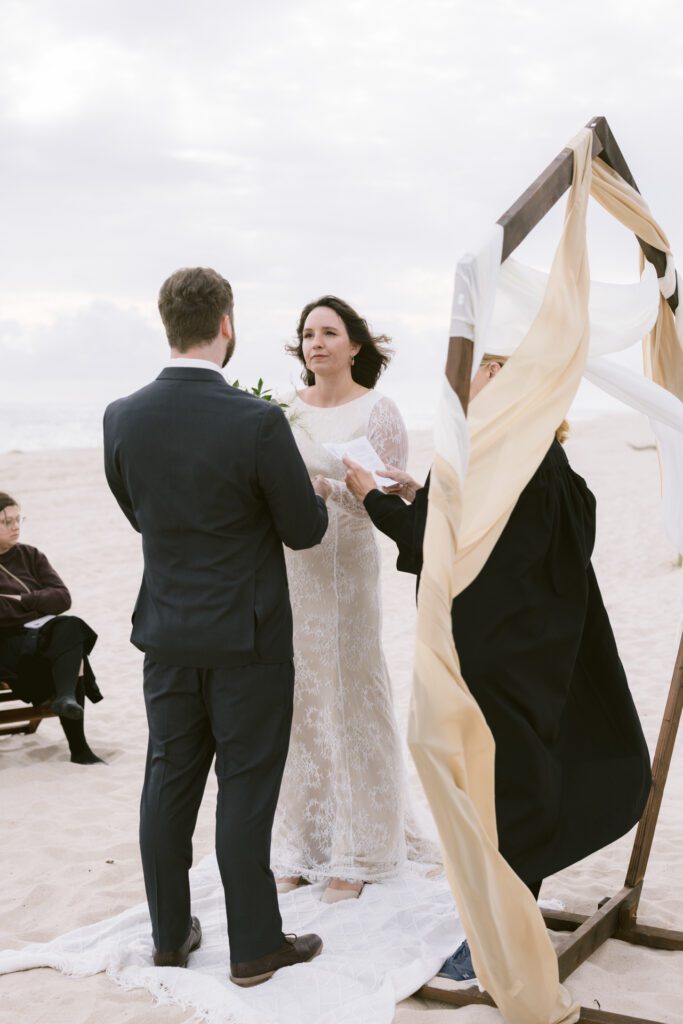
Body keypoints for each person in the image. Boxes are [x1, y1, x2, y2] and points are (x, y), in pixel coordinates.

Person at [344, 354, 651, 982]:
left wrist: (372, 496)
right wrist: (418, 491)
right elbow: (502, 526)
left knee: (501, 787)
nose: (472, 376)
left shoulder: (482, 450)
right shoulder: (537, 448)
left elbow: (434, 541)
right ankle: (501, 918)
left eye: (488, 367)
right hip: (545, 644)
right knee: (519, 775)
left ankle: (491, 941)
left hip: (493, 650)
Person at [103, 267, 329, 986]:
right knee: (245, 787)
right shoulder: (256, 422)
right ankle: (255, 946)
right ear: (226, 324)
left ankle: (169, 935)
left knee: (168, 782)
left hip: (166, 632)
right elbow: (303, 531)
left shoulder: (121, 416)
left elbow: (138, 511)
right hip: (249, 639)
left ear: (166, 324)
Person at [272, 295, 416, 903]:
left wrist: (331, 485)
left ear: (355, 345)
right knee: (302, 699)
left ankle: (359, 850)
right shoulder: (282, 412)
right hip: (294, 569)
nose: (316, 343)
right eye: (308, 334)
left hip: (351, 567)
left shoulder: (380, 411)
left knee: (352, 693)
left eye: (329, 332)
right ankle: (302, 845)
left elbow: (393, 506)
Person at [0, 492, 104, 765]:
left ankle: (66, 698)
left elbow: (62, 598)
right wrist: (37, 606)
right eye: (5, 521)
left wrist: (25, 600)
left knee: (72, 626)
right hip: (6, 644)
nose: (15, 526)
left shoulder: (30, 555)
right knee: (72, 652)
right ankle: (78, 744)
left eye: (17, 519)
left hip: (40, 633)